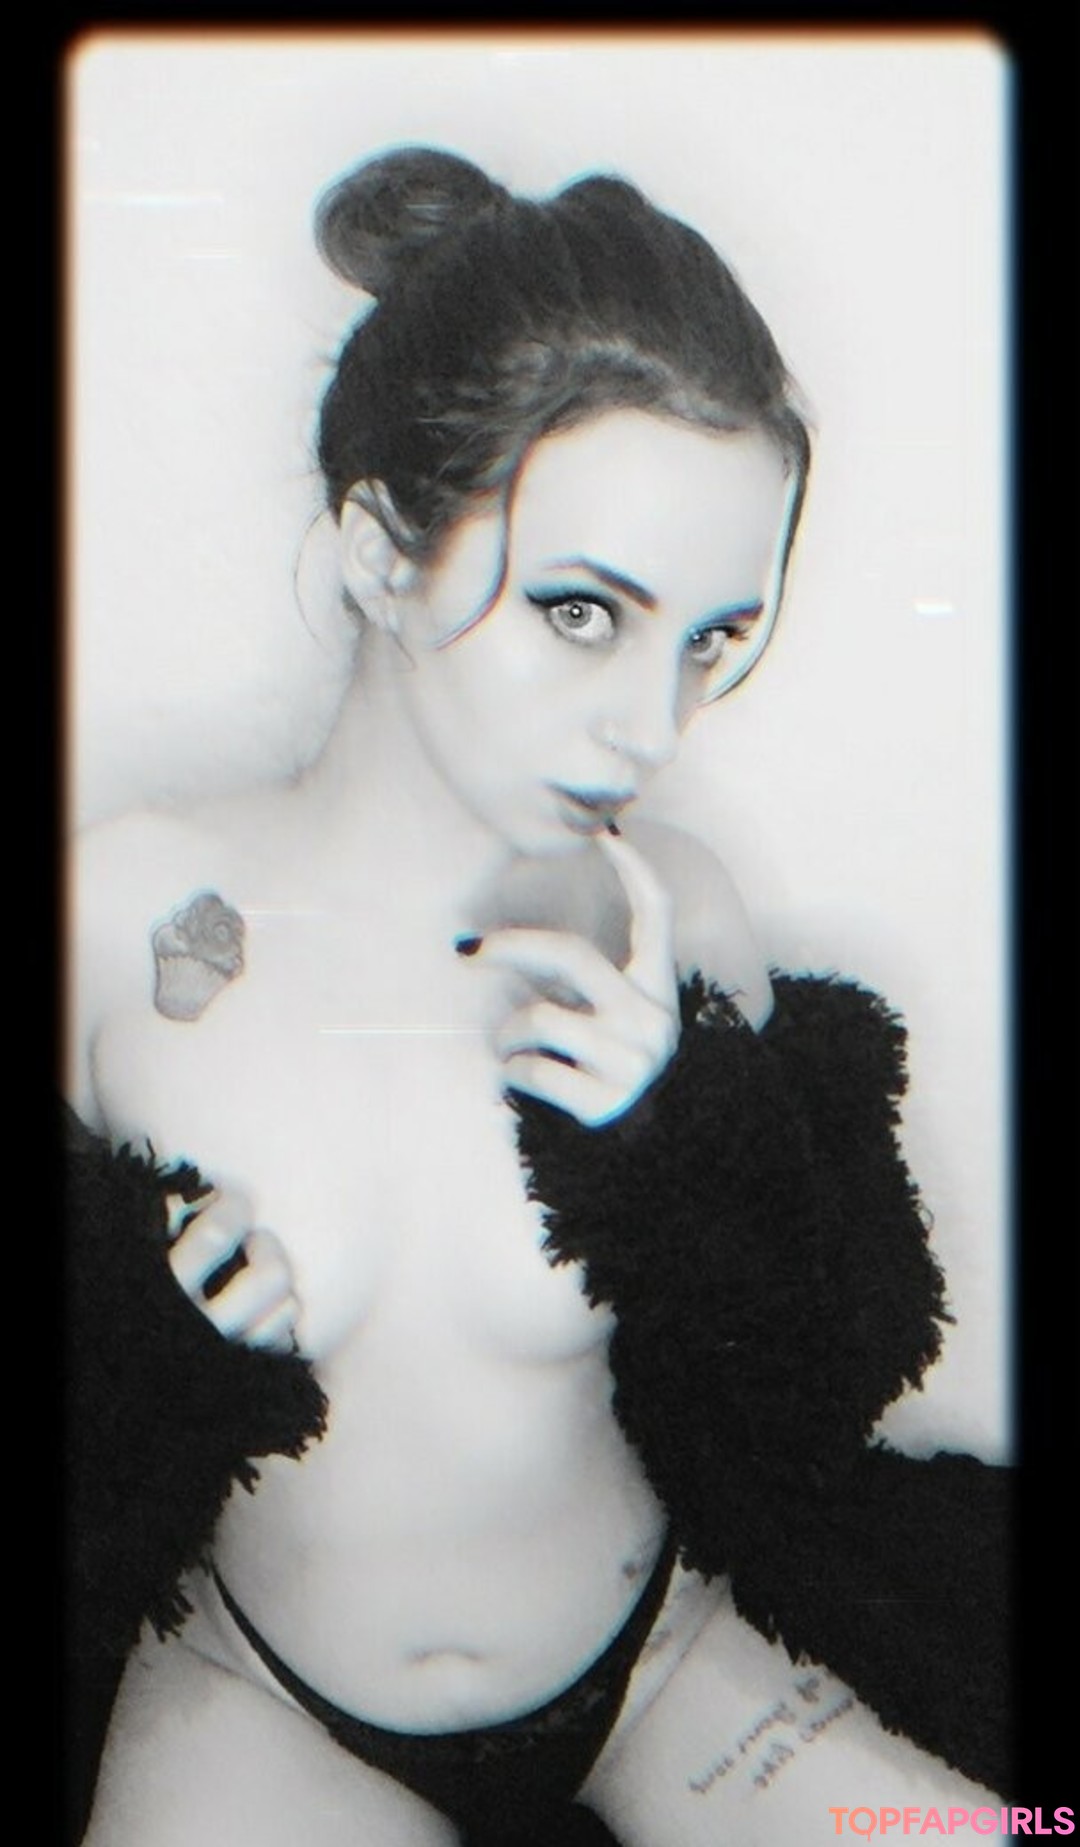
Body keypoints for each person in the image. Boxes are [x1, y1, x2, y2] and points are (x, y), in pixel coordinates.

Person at [66, 147, 1010, 1847]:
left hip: (667, 1662)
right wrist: (140, 1339)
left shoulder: (671, 912)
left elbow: (819, 1378)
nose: (651, 728)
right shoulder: (124, 911)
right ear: (379, 552)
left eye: (709, 641)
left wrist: (684, 1137)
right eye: (583, 614)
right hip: (251, 1698)